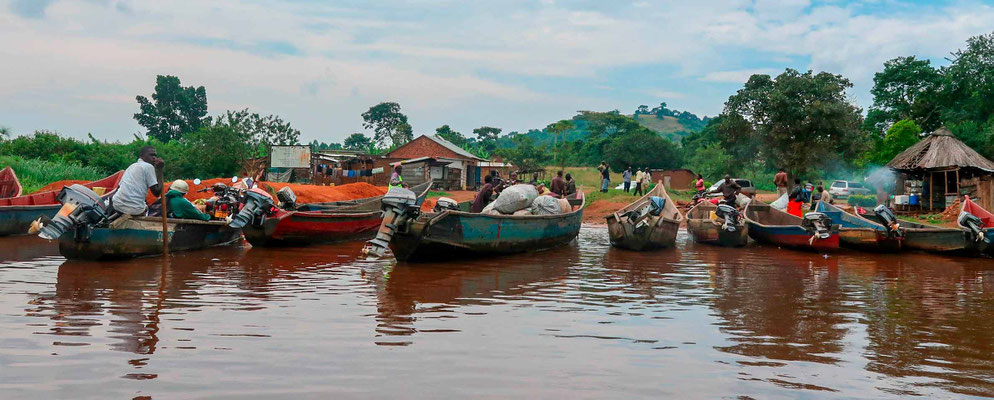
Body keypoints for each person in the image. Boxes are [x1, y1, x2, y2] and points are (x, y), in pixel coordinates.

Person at [110, 146, 164, 216]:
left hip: (117, 204)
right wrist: (160, 169)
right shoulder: (148, 167)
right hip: (134, 209)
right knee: (145, 209)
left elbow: (118, 188)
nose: (154, 158)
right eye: (151, 155)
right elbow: (156, 192)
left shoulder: (132, 166)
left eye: (155, 155)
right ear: (142, 156)